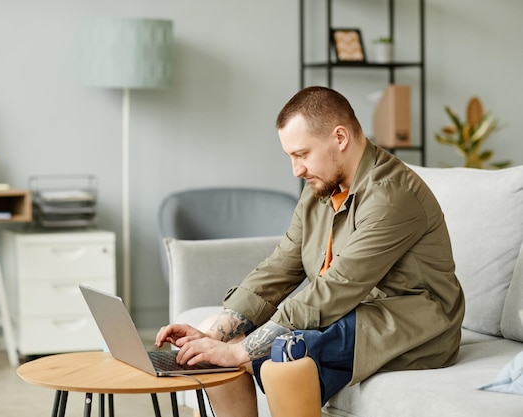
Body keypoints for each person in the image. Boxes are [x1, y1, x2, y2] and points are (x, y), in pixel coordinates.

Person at [155, 86, 465, 417]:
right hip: (349, 311)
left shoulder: (391, 196)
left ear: (340, 138)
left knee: (283, 353)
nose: (296, 170)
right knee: (220, 343)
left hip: (410, 323)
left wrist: (240, 351)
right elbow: (281, 266)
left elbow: (338, 287)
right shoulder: (319, 189)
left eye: (302, 154)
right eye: (291, 157)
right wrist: (215, 332)